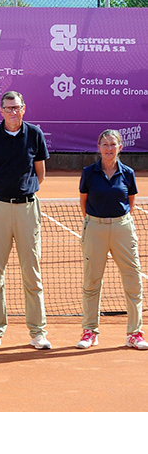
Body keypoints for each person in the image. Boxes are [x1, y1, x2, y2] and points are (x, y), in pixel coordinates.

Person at [0, 91, 51, 351]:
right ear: (1, 110)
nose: (12, 112)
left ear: (24, 109)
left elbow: (40, 174)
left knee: (32, 272)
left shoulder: (35, 135)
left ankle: (38, 332)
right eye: (8, 108)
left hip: (27, 210)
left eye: (16, 107)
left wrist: (23, 193)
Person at [77, 130, 148, 351]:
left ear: (120, 147)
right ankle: (90, 331)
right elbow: (83, 202)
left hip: (122, 229)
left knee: (133, 280)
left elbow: (130, 201)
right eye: (105, 144)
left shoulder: (128, 173)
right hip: (95, 228)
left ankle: (134, 333)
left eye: (113, 144)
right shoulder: (89, 172)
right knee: (92, 282)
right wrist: (96, 222)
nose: (109, 148)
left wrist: (118, 223)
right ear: (98, 146)